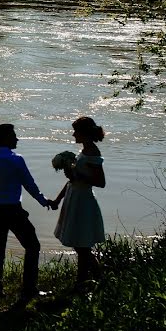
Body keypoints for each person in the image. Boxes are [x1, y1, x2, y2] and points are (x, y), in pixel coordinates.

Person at [0, 123, 52, 307]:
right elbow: (29, 185)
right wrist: (44, 201)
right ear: (4, 138)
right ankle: (29, 288)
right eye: (13, 135)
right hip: (13, 210)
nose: (17, 138)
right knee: (33, 246)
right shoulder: (17, 160)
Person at [50, 117, 106, 288]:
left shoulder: (92, 153)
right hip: (74, 198)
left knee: (82, 245)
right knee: (79, 243)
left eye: (76, 131)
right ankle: (97, 277)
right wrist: (58, 200)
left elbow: (100, 182)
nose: (73, 134)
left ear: (84, 133)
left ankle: (82, 282)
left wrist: (76, 175)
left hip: (83, 201)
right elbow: (71, 181)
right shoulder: (84, 151)